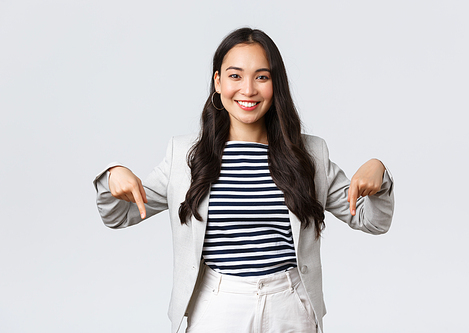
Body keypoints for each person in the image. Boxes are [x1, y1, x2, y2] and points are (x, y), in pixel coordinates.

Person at [94, 27, 394, 333]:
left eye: (261, 77)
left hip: (290, 307)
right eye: (235, 76)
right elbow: (119, 215)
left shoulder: (310, 154)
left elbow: (373, 221)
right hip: (217, 305)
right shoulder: (185, 155)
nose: (248, 90)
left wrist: (379, 173)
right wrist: (111, 175)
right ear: (218, 82)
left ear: (276, 85)